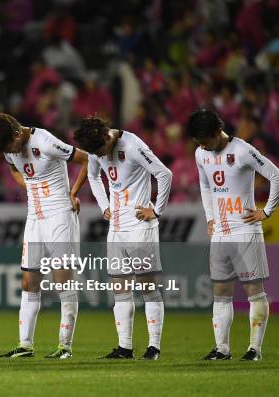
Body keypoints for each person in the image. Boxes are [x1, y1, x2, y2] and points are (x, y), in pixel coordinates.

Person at [0, 113, 88, 359]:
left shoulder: (45, 141)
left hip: (60, 215)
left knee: (63, 281)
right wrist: (29, 185)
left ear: (17, 133)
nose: (11, 152)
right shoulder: (10, 149)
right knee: (29, 282)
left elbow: (87, 159)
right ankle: (25, 345)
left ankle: (65, 345)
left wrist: (73, 192)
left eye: (10, 146)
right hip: (34, 217)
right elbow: (12, 168)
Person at [76, 115, 173, 360]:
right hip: (117, 226)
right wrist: (103, 205)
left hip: (141, 225)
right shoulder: (96, 148)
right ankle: (125, 348)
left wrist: (157, 210)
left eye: (101, 150)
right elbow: (93, 175)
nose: (100, 155)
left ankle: (154, 346)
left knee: (147, 286)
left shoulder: (132, 146)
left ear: (107, 135)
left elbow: (164, 174)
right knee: (120, 288)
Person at [188, 109, 278, 361]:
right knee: (220, 292)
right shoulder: (200, 154)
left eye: (206, 141)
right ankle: (222, 349)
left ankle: (254, 349)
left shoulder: (242, 151)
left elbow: (276, 175)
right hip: (220, 233)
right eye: (199, 143)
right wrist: (209, 217)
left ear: (218, 132)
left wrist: (267, 211)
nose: (203, 147)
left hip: (245, 231)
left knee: (254, 291)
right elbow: (205, 186)